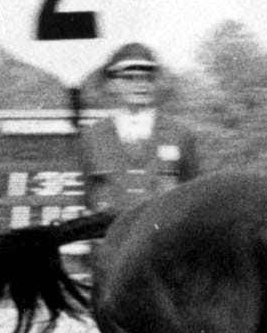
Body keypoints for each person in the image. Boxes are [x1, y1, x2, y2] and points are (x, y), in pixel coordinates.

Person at [75, 41, 201, 212]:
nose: (140, 84)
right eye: (129, 78)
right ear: (111, 84)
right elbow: (87, 194)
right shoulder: (93, 136)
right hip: (109, 233)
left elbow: (191, 190)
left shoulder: (179, 134)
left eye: (147, 78)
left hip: (160, 233)